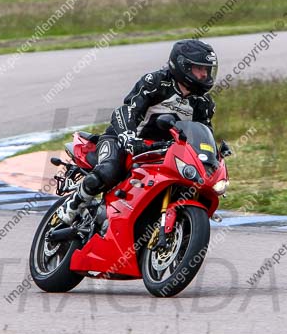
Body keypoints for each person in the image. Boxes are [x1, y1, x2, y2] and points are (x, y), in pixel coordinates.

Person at [55, 39, 218, 226]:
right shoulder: (156, 82)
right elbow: (125, 112)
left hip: (161, 152)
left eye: (207, 69)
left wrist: (211, 157)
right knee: (108, 171)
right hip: (122, 139)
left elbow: (203, 133)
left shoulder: (204, 103)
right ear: (183, 66)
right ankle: (73, 205)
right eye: (200, 68)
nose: (205, 74)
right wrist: (130, 140)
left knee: (186, 185)